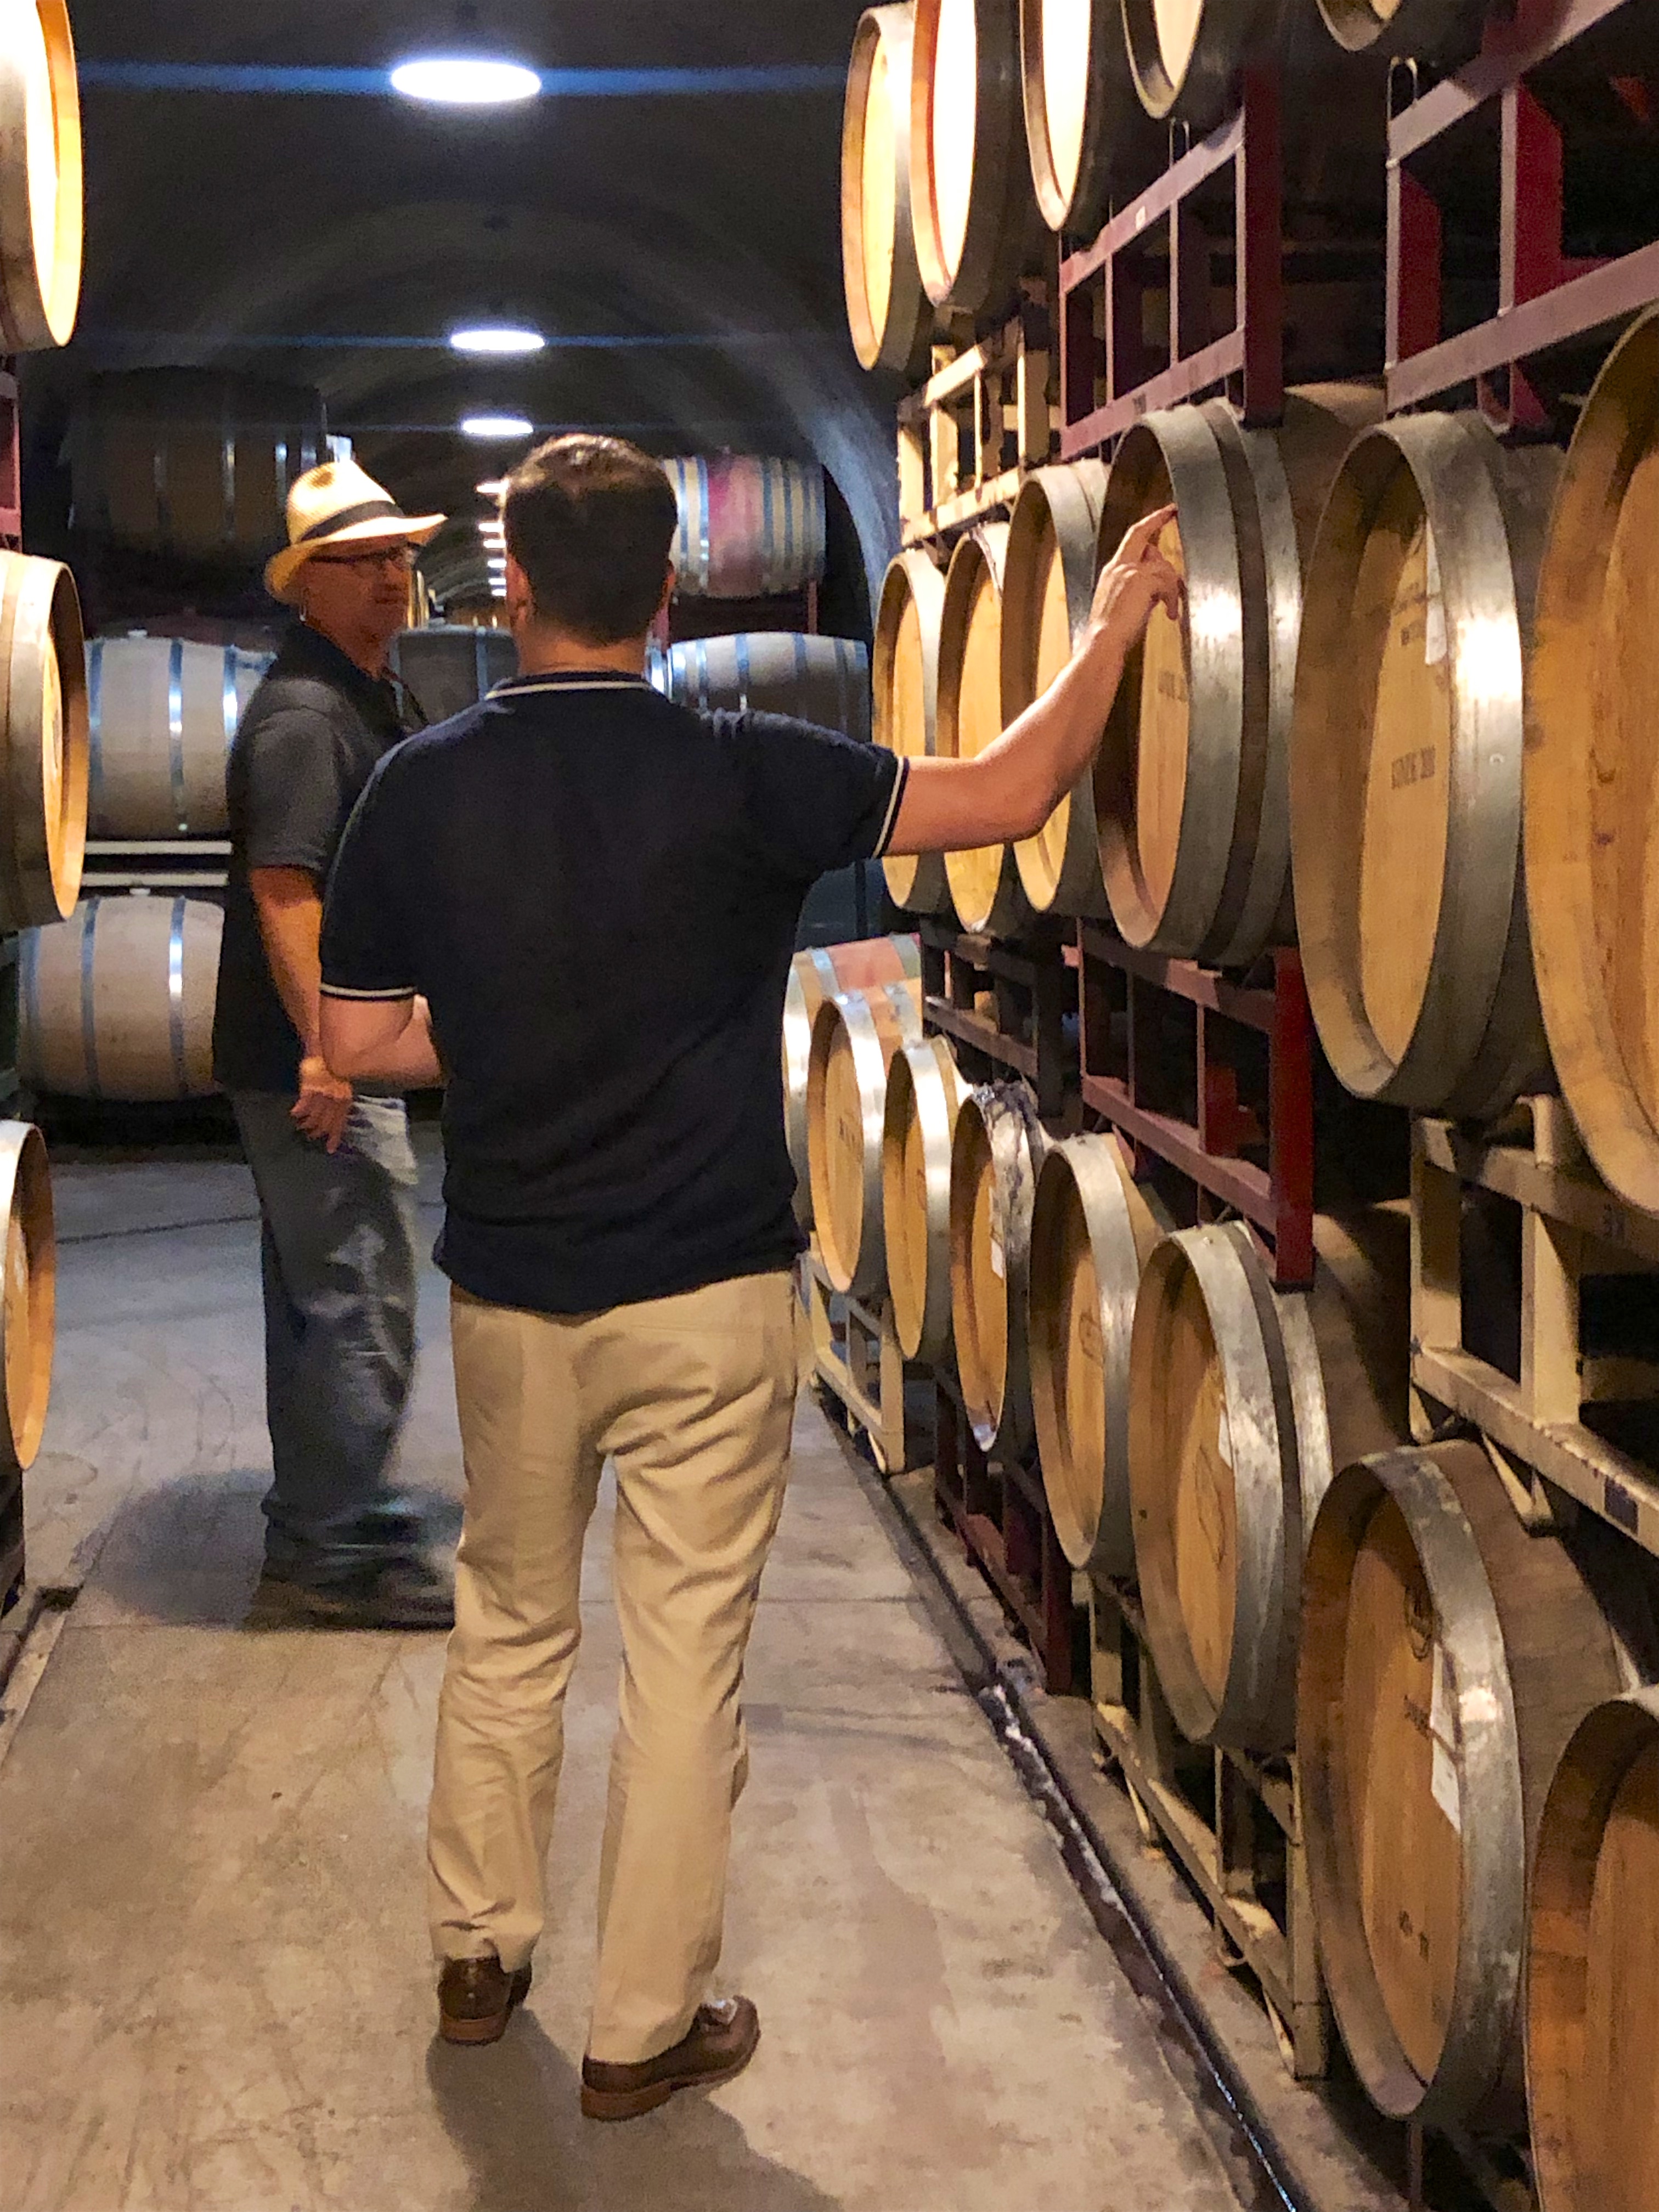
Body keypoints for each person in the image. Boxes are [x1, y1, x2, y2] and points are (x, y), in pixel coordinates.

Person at [317, 436, 1180, 2114]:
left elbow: (356, 1044)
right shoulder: (745, 768)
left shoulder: (415, 786)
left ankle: (479, 1955)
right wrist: (1111, 624)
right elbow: (1009, 794)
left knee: (507, 1623)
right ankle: (644, 2027)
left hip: (511, 1287)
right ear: (668, 591)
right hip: (706, 1288)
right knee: (683, 1654)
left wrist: (504, 1044)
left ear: (511, 585)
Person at [213, 457, 458, 1632]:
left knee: (324, 1299)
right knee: (361, 1296)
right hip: (315, 1063)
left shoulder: (362, 692)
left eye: (399, 556)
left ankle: (324, 1517)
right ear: (307, 582)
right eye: (361, 562)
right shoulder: (307, 719)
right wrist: (331, 1053)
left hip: (333, 1050)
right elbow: (285, 894)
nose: (390, 577)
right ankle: (330, 1555)